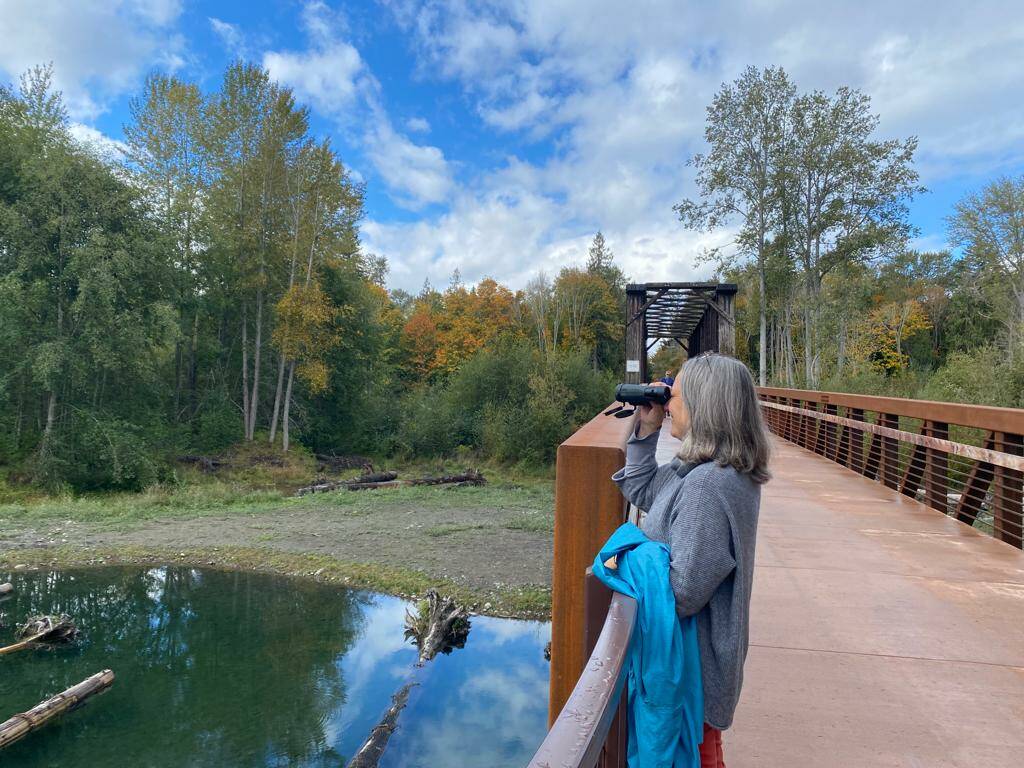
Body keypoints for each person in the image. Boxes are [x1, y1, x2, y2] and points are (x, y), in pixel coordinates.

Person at [611, 352, 770, 768]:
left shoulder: (707, 487)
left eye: (675, 395)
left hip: (690, 672)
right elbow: (644, 490)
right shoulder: (708, 470)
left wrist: (630, 553)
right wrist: (646, 429)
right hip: (697, 663)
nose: (668, 404)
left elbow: (682, 592)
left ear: (704, 405)